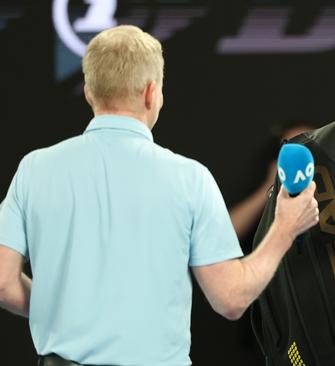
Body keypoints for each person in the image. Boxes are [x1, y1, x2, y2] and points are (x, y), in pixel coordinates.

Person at [0, 25, 318, 366]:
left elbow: (3, 283)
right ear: (153, 92)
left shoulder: (36, 169)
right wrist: (284, 229)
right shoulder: (189, 178)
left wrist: (58, 309)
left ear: (90, 92)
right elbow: (231, 298)